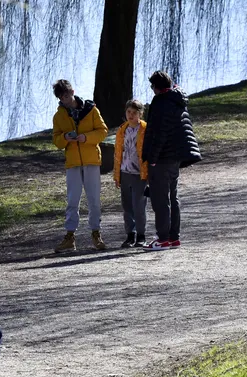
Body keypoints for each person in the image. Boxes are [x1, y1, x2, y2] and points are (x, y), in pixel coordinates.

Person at [140, 71, 202, 251]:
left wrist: (152, 158)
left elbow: (159, 133)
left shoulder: (161, 103)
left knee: (160, 199)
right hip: (175, 158)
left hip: (161, 158)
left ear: (157, 87)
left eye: (152, 87)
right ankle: (174, 237)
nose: (152, 90)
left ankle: (163, 238)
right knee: (173, 197)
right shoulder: (178, 100)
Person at [51, 79, 109, 252]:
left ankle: (96, 234)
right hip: (73, 162)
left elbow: (103, 131)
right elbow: (56, 140)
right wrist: (65, 139)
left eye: (67, 94)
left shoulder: (91, 110)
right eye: (62, 96)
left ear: (73, 91)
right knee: (72, 200)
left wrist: (86, 138)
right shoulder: (58, 116)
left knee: (94, 200)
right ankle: (69, 237)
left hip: (91, 159)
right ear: (59, 98)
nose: (65, 98)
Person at [114, 99, 148, 248]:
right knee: (127, 206)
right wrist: (117, 175)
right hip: (124, 172)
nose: (131, 115)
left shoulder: (145, 129)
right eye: (128, 112)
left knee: (139, 205)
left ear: (140, 114)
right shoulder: (122, 130)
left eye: (134, 113)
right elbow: (117, 153)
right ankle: (130, 235)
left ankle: (141, 235)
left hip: (139, 173)